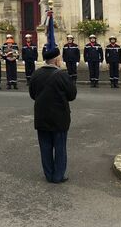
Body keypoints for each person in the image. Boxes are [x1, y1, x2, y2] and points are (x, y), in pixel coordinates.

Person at [29, 47, 77, 184]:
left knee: (45, 147)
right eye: (60, 58)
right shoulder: (62, 75)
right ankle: (58, 176)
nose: (61, 61)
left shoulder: (36, 74)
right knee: (60, 147)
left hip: (41, 116)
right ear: (56, 60)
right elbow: (72, 95)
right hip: (59, 117)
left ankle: (49, 174)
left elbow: (32, 94)